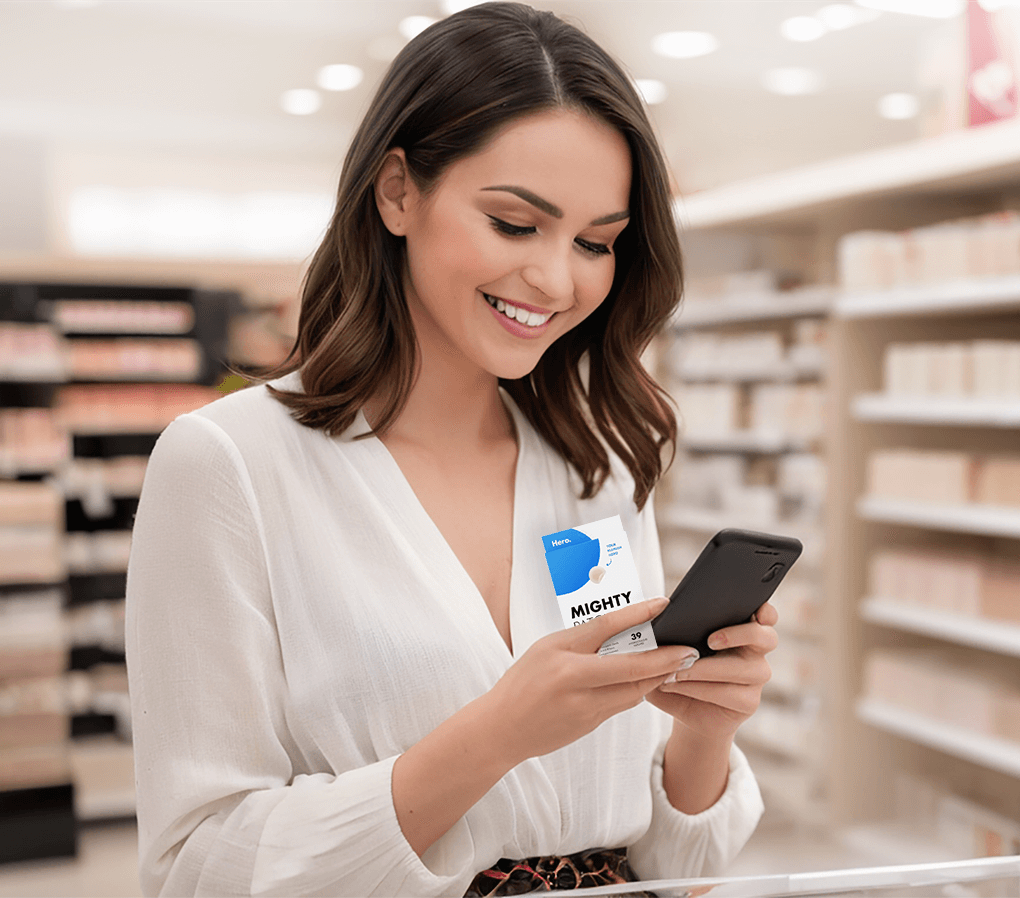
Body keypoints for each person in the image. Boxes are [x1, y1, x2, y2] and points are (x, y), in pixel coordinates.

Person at [125, 4, 772, 894]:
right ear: (398, 192)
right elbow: (194, 865)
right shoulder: (228, 465)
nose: (556, 279)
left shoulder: (596, 463)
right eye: (515, 223)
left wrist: (704, 730)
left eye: (596, 243)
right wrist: (497, 733)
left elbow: (670, 869)